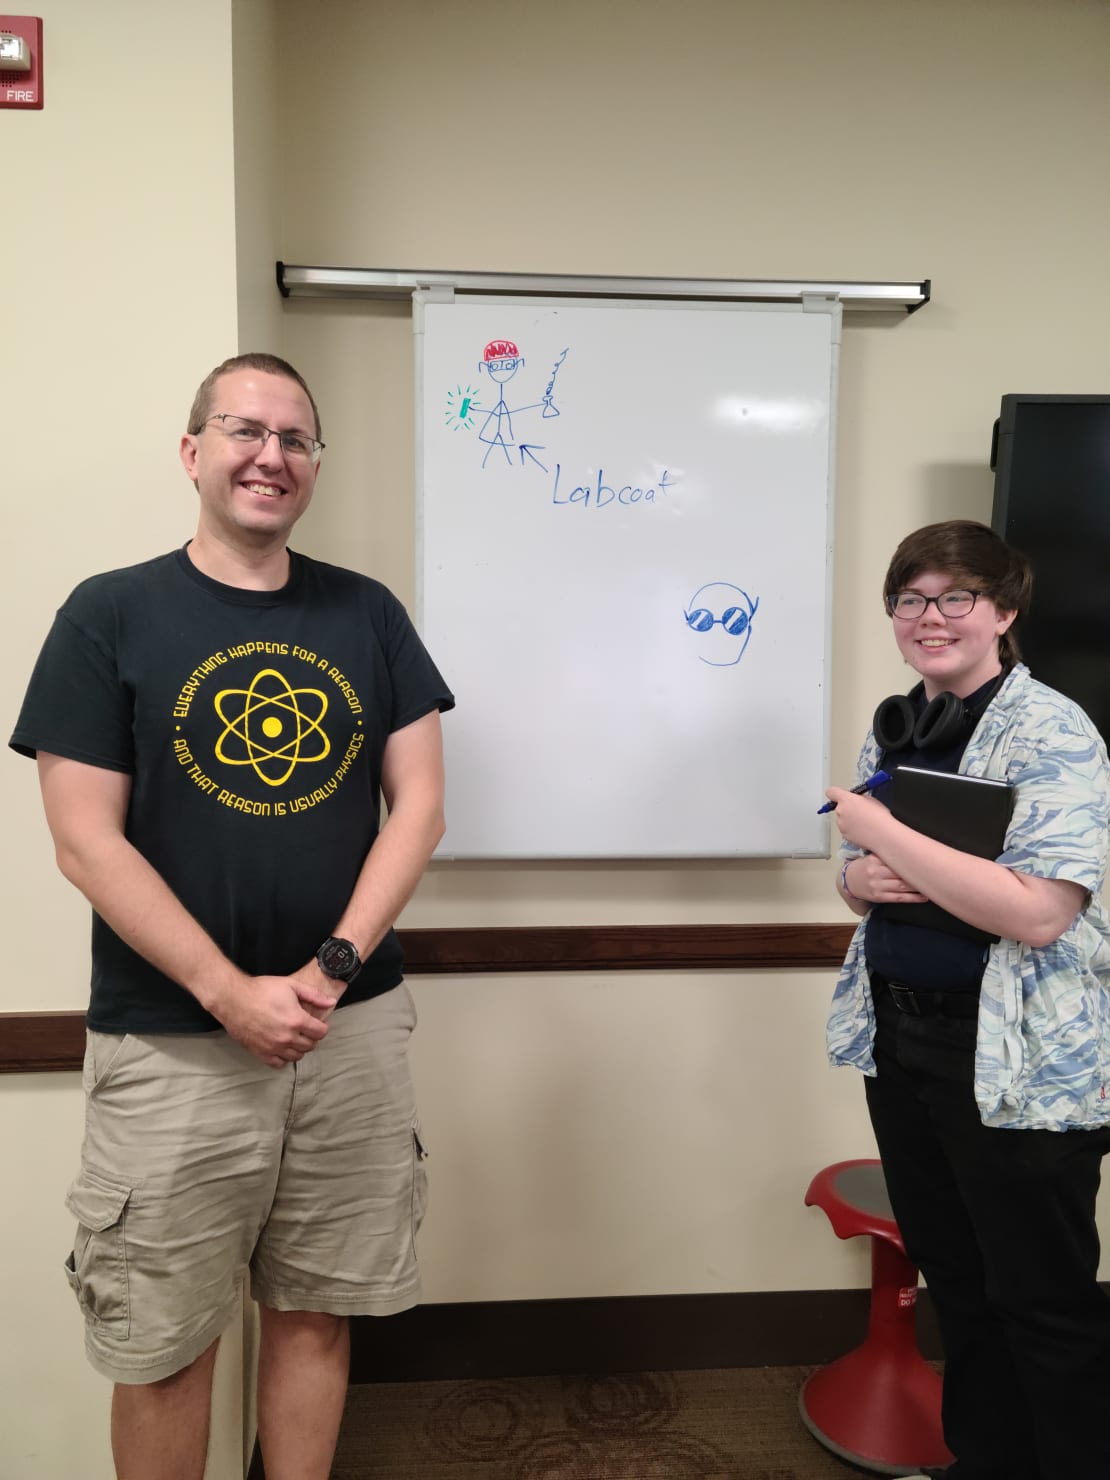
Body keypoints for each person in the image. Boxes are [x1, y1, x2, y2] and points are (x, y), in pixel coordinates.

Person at [9, 352, 454, 1480]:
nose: (272, 455)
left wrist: (331, 969)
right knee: (162, 1341)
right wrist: (226, 990)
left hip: (346, 1031)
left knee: (317, 1309)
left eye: (297, 438)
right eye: (246, 430)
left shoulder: (367, 612)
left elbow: (420, 804)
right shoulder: (107, 612)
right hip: (171, 1041)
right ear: (193, 449)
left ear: (315, 464)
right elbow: (83, 837)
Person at [823, 520, 1110, 1480]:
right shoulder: (902, 721)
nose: (930, 617)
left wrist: (886, 842)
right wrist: (861, 878)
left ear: (1005, 612)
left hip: (1018, 1064)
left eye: (956, 598)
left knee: (1043, 1301)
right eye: (911, 599)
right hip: (903, 1041)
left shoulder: (1054, 729)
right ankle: (985, 1464)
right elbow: (858, 879)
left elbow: (1038, 913)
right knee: (963, 1287)